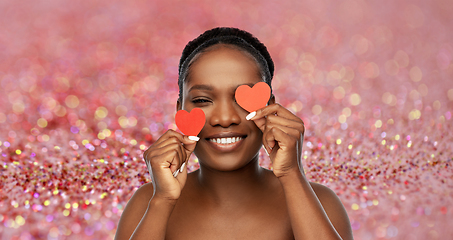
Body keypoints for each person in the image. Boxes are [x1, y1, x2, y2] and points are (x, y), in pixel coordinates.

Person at [115, 27, 354, 240]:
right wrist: (162, 202)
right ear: (180, 110)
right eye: (202, 100)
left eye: (242, 99)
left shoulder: (320, 203)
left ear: (270, 108)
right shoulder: (147, 204)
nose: (224, 118)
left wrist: (292, 174)